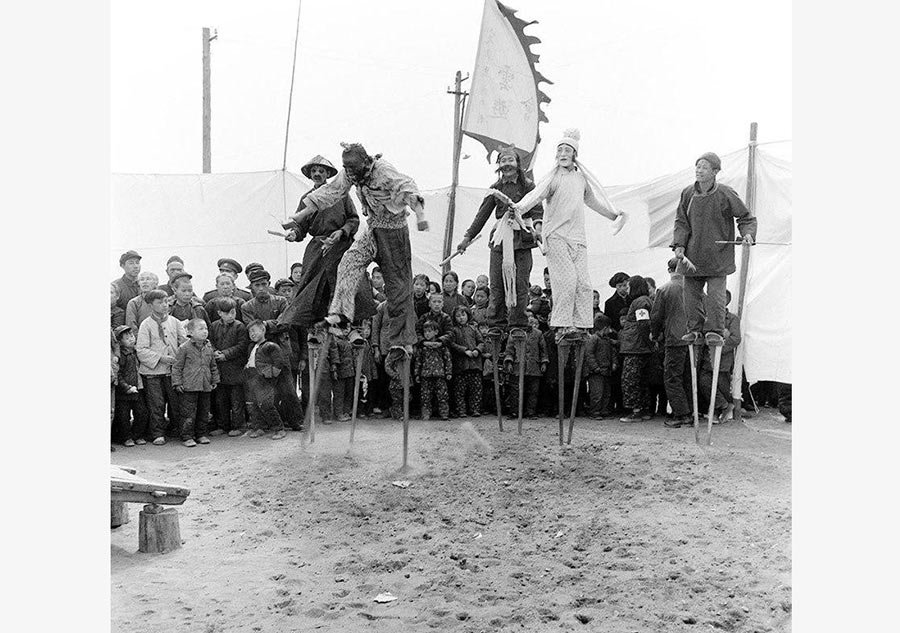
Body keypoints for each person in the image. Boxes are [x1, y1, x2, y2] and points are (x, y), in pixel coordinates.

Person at [285, 142, 428, 369]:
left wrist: (420, 215)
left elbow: (407, 186)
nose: (350, 174)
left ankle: (401, 341)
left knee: (398, 285)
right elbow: (331, 192)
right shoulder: (350, 173)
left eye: (353, 169)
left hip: (394, 233)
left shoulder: (383, 171)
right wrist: (300, 216)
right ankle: (340, 317)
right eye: (346, 169)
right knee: (348, 263)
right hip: (373, 229)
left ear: (365, 163)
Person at [510, 129, 627, 341]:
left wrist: (612, 215)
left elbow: (591, 201)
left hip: (578, 239)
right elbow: (534, 196)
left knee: (583, 283)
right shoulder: (553, 178)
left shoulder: (581, 179)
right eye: (560, 150)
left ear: (575, 154)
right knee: (567, 280)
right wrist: (518, 207)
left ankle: (581, 326)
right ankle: (563, 327)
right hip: (555, 236)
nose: (563, 153)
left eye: (567, 150)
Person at [672, 151, 757, 346]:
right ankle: (694, 330)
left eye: (704, 167)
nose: (699, 170)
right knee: (690, 299)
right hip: (692, 256)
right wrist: (679, 245)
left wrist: (747, 234)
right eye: (697, 166)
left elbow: (745, 217)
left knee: (716, 299)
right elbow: (681, 222)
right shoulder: (687, 193)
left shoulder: (725, 193)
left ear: (715, 172)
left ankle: (715, 331)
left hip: (718, 257)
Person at [455, 146, 542, 331]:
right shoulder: (495, 189)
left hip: (522, 239)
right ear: (499, 166)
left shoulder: (529, 186)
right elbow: (482, 215)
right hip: (500, 241)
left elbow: (537, 210)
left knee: (520, 285)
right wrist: (466, 238)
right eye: (503, 161)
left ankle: (518, 325)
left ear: (518, 164)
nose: (507, 164)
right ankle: (496, 327)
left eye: (510, 160)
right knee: (496, 285)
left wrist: (537, 227)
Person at [280, 155, 362, 331]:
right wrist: (294, 233)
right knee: (312, 286)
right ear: (310, 175)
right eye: (314, 171)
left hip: (340, 245)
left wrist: (342, 232)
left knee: (346, 283)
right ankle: (315, 328)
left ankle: (348, 326)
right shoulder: (306, 198)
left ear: (327, 174)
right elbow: (299, 225)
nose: (317, 174)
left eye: (321, 171)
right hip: (318, 247)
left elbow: (354, 219)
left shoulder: (341, 194)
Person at [136, 289, 187, 445]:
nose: (164, 305)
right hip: (153, 372)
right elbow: (141, 349)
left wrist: (179, 356)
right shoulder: (146, 325)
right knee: (156, 404)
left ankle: (176, 429)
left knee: (175, 402)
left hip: (172, 371)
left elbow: (184, 342)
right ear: (151, 305)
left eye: (166, 301)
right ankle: (157, 433)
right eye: (159, 302)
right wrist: (161, 358)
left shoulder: (175, 322)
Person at [651, 257, 693, 427]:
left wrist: (655, 335)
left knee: (672, 377)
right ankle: (691, 411)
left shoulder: (664, 289)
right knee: (688, 377)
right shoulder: (694, 289)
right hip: (692, 339)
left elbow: (656, 317)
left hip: (675, 339)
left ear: (669, 270)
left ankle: (681, 414)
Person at [172, 319, 219, 447]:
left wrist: (214, 379)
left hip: (205, 385)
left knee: (204, 411)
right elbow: (177, 367)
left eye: (206, 329)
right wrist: (177, 383)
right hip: (189, 386)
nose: (205, 331)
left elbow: (213, 365)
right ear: (190, 332)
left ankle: (201, 434)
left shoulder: (209, 347)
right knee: (188, 413)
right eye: (201, 329)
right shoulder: (184, 348)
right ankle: (187, 436)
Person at [698, 290, 742, 422]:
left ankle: (718, 413)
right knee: (705, 383)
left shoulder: (733, 319)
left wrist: (718, 346)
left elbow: (735, 339)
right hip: (708, 359)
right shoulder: (708, 318)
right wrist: (716, 339)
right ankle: (724, 406)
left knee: (721, 387)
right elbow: (705, 335)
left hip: (723, 361)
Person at [209, 297, 249, 437]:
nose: (230, 316)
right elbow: (210, 341)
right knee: (221, 401)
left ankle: (239, 425)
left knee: (237, 400)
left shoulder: (240, 326)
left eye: (233, 312)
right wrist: (214, 352)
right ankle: (223, 425)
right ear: (219, 313)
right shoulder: (214, 326)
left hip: (235, 369)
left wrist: (225, 354)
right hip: (220, 370)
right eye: (227, 313)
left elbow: (242, 345)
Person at [243, 320, 288, 440]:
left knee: (267, 405)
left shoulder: (270, 346)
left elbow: (279, 363)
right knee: (253, 404)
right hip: (252, 378)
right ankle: (259, 427)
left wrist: (271, 375)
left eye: (254, 330)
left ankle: (279, 428)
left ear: (263, 330)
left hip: (264, 379)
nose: (251, 334)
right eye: (249, 332)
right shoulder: (251, 346)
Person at [618, 276, 654, 423]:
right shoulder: (646, 301)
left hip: (636, 347)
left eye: (629, 286)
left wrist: (647, 341)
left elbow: (643, 323)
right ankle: (644, 409)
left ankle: (635, 411)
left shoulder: (639, 302)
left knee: (630, 379)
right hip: (641, 347)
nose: (627, 289)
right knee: (642, 380)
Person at [503, 310, 548, 418]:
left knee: (533, 391)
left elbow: (543, 350)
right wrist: (509, 362)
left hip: (533, 367)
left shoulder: (538, 334)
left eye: (530, 318)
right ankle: (515, 412)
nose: (528, 320)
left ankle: (530, 412)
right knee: (515, 391)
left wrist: (544, 362)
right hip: (517, 367)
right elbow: (509, 350)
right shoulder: (514, 333)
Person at [113, 325, 149, 446]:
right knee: (124, 416)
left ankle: (137, 435)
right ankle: (126, 437)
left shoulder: (136, 351)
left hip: (138, 388)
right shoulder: (120, 356)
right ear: (119, 341)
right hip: (125, 391)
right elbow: (119, 374)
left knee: (142, 413)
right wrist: (126, 387)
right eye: (127, 338)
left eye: (132, 336)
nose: (131, 339)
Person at [448, 306, 485, 417]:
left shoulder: (473, 329)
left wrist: (477, 350)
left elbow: (481, 342)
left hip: (475, 364)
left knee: (476, 389)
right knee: (460, 390)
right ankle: (461, 410)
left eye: (463, 315)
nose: (461, 318)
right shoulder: (453, 330)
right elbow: (452, 344)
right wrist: (465, 351)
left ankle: (475, 409)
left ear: (468, 315)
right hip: (461, 366)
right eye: (458, 316)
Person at [414, 320, 452, 421]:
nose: (427, 334)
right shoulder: (422, 347)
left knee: (442, 395)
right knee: (425, 396)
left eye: (429, 331)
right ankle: (426, 413)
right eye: (425, 332)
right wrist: (417, 374)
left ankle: (444, 413)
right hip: (425, 375)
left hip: (440, 374)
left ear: (436, 332)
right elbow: (418, 361)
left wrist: (448, 372)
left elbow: (447, 359)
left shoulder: (442, 346)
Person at [584, 313, 618, 419]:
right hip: (596, 372)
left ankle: (604, 410)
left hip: (606, 370)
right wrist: (595, 367)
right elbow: (589, 354)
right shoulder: (593, 339)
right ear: (605, 328)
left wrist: (614, 363)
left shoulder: (607, 340)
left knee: (606, 392)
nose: (611, 331)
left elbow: (613, 352)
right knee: (597, 393)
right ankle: (595, 411)